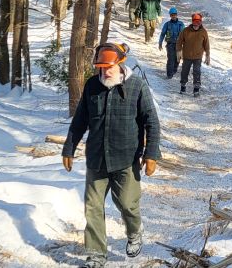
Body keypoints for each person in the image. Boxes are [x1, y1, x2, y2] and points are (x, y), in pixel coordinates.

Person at [62, 43, 161, 268]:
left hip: (126, 159)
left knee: (127, 204)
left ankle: (134, 231)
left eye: (109, 67)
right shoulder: (92, 86)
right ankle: (96, 254)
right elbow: (79, 121)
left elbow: (152, 122)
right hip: (97, 158)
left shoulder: (137, 86)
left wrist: (151, 154)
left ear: (120, 64)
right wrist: (69, 147)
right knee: (93, 206)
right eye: (101, 67)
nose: (105, 72)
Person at [176, 12, 210, 96]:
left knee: (197, 71)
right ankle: (183, 86)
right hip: (187, 56)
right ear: (192, 22)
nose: (196, 26)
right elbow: (179, 41)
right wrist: (178, 51)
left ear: (200, 23)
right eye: (194, 24)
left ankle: (196, 89)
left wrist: (208, 55)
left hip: (198, 56)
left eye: (197, 24)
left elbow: (206, 44)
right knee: (184, 71)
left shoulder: (203, 32)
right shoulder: (185, 31)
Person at [158, 7, 184, 79]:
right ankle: (169, 74)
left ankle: (174, 71)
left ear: (176, 15)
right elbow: (162, 34)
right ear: (170, 16)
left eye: (175, 14)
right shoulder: (167, 24)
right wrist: (160, 43)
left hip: (179, 45)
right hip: (170, 45)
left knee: (177, 59)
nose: (173, 16)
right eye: (172, 15)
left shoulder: (181, 24)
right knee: (171, 59)